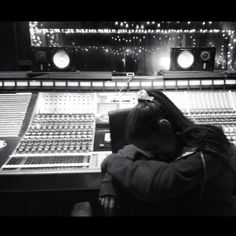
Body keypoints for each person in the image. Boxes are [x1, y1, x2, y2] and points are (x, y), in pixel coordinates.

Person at [99, 89, 236, 216]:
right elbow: (127, 152)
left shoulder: (207, 154)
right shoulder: (178, 139)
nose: (152, 153)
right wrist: (109, 179)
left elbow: (155, 184)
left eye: (154, 148)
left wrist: (110, 160)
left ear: (165, 127)